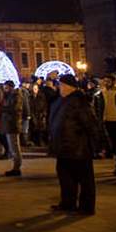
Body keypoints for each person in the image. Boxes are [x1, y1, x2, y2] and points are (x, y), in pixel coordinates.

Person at [49, 75, 98, 215]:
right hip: (64, 147)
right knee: (66, 178)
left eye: (61, 85)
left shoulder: (80, 101)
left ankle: (86, 207)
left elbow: (90, 124)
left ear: (68, 86)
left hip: (78, 147)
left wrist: (96, 145)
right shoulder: (61, 101)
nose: (59, 88)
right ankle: (67, 203)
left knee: (84, 179)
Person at [0, 80, 23, 176]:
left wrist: (2, 109)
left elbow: (14, 109)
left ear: (10, 87)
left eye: (6, 88)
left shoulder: (15, 96)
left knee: (14, 147)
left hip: (12, 124)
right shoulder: (10, 96)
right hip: (10, 123)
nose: (5, 90)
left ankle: (16, 168)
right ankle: (16, 167)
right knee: (13, 147)